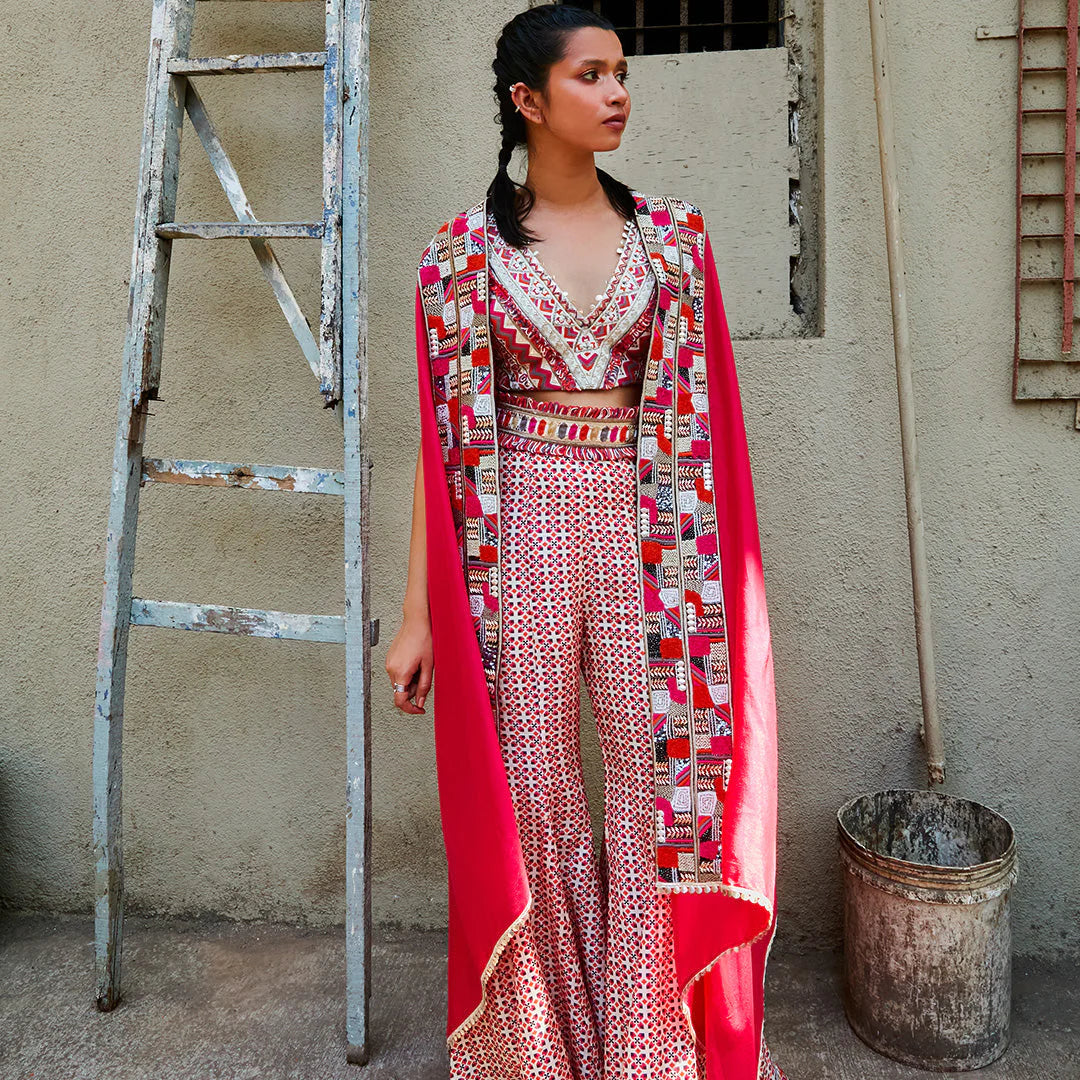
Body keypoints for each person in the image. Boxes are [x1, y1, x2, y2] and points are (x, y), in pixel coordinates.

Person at [386, 6, 787, 1079]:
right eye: (591, 75)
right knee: (530, 787)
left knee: (663, 784)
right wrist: (419, 615)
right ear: (528, 101)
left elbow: (706, 424)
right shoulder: (461, 256)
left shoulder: (675, 239)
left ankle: (651, 1051)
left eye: (621, 74)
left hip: (651, 533)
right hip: (513, 533)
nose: (617, 94)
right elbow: (440, 449)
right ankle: (537, 1052)